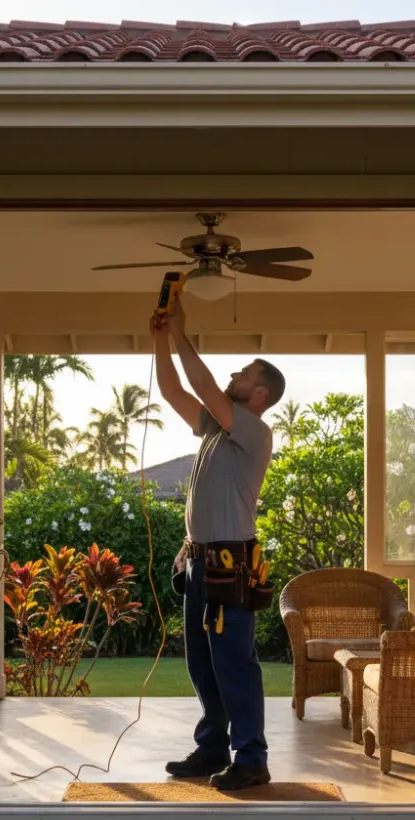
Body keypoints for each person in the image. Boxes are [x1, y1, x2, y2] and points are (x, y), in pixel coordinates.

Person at [151, 295, 286, 791]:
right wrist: (161, 339)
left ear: (261, 394)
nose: (235, 374)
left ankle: (251, 757)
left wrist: (182, 329)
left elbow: (203, 384)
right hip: (199, 563)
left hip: (231, 564)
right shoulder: (214, 429)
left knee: (234, 662)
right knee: (202, 662)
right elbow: (173, 389)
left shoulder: (253, 429)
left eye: (245, 373)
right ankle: (212, 747)